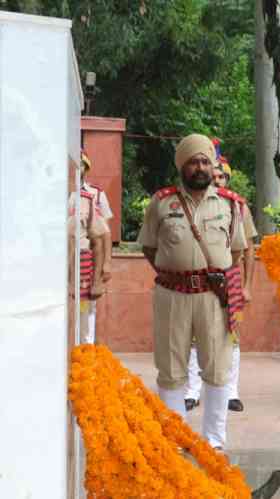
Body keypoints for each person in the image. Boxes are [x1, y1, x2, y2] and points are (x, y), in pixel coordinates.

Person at [137, 133, 248, 452]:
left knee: (217, 367)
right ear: (181, 165)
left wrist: (211, 277)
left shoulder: (229, 203)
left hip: (215, 297)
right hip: (172, 295)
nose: (199, 167)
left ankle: (213, 443)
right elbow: (149, 247)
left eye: (205, 161)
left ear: (213, 165)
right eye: (192, 161)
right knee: (170, 368)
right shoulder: (162, 202)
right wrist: (178, 271)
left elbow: (237, 251)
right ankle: (174, 442)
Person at [185, 148, 258, 413]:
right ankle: (192, 391)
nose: (217, 182)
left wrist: (247, 286)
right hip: (198, 278)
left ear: (228, 179)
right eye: (213, 177)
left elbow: (248, 248)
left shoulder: (238, 205)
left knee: (231, 335)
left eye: (221, 177)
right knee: (194, 335)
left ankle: (230, 392)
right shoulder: (190, 202)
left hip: (230, 279)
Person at [69, 153, 111, 344]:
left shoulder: (91, 196)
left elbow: (103, 235)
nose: (78, 170)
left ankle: (85, 356)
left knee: (85, 312)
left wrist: (106, 265)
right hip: (59, 263)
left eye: (81, 166)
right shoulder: (48, 196)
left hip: (83, 263)